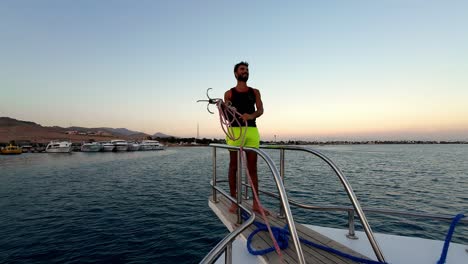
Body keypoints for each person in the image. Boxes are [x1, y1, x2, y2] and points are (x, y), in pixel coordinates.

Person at [224, 61, 266, 214]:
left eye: (247, 69)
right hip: (235, 131)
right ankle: (234, 201)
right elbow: (227, 116)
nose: (245, 71)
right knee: (233, 166)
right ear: (236, 73)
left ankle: (256, 204)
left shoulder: (255, 92)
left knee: (253, 168)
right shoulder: (229, 93)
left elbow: (260, 110)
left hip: (252, 130)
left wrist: (251, 115)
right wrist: (226, 107)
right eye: (242, 69)